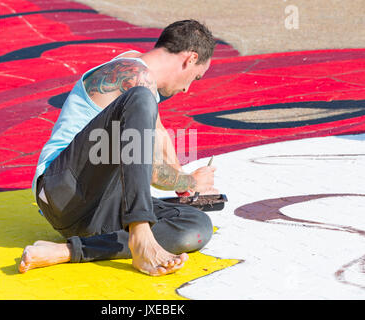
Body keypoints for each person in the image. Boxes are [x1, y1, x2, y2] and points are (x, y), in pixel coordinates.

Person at [19, 20, 219, 276]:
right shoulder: (135, 78)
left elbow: (158, 135)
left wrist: (183, 184)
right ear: (190, 59)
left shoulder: (142, 79)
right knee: (141, 98)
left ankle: (69, 251)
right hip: (61, 192)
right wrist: (190, 179)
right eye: (196, 77)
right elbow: (153, 173)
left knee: (195, 225)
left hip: (94, 213)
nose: (187, 88)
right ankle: (139, 231)